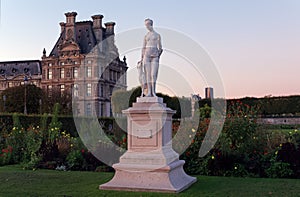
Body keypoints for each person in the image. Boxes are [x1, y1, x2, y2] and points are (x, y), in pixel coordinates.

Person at [141, 18, 163, 97]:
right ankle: (149, 92)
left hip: (155, 55)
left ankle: (153, 91)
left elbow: (160, 47)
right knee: (148, 75)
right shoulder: (146, 36)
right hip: (147, 55)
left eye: (148, 25)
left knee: (153, 74)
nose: (147, 27)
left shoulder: (157, 35)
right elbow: (143, 47)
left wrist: (158, 54)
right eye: (146, 25)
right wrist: (141, 59)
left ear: (151, 24)